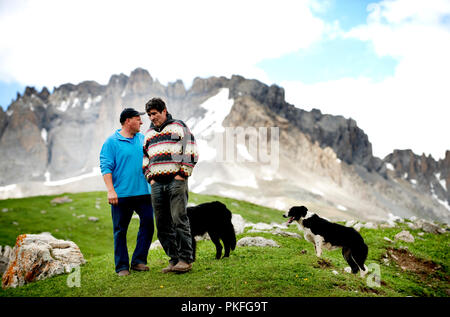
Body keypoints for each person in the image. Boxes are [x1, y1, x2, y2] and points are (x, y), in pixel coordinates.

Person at [143, 97, 199, 273]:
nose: (152, 117)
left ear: (164, 111)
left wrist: (182, 175)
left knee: (179, 220)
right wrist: (150, 177)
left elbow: (191, 150)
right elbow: (145, 159)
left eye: (154, 113)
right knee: (162, 224)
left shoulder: (178, 126)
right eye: (149, 115)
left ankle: (186, 259)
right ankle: (174, 260)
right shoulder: (149, 134)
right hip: (157, 184)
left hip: (176, 181)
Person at [100, 108, 154, 276]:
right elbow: (106, 167)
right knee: (120, 231)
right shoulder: (111, 142)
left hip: (144, 193)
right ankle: (122, 267)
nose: (142, 122)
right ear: (128, 121)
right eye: (138, 119)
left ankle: (138, 261)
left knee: (148, 225)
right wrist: (111, 191)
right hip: (121, 195)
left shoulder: (142, 139)